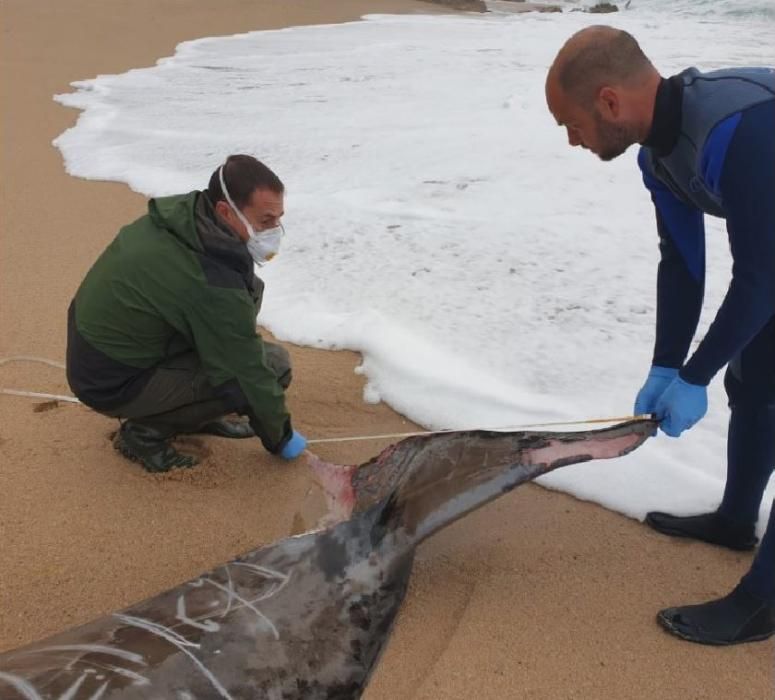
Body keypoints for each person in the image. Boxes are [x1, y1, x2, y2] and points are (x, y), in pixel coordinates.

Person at [545, 26, 775, 645]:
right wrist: (668, 365)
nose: (572, 141)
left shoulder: (742, 129)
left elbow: (761, 275)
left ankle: (762, 603)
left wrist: (696, 376)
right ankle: (734, 521)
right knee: (755, 379)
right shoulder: (659, 157)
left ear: (610, 102)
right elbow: (682, 262)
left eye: (572, 124)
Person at [66, 154, 307, 472]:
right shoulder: (208, 278)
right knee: (274, 367)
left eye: (278, 218)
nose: (274, 230)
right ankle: (144, 434)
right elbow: (245, 373)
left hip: (101, 352)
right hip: (110, 380)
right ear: (225, 211)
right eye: (265, 221)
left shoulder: (184, 221)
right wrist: (281, 438)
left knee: (249, 298)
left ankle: (194, 414)